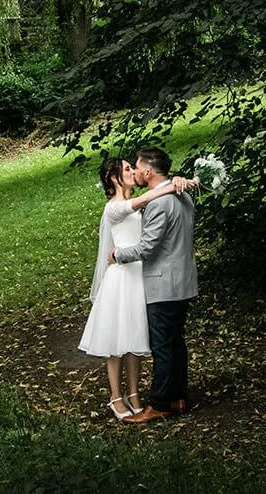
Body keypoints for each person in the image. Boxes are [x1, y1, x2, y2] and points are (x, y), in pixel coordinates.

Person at [78, 155, 196, 419]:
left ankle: (134, 393)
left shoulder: (145, 203)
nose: (134, 171)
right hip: (121, 277)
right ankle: (116, 397)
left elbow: (151, 204)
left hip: (140, 276)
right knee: (117, 339)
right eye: (128, 168)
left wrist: (175, 181)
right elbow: (146, 199)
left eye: (135, 167)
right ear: (114, 178)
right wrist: (174, 183)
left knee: (136, 337)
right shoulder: (116, 207)